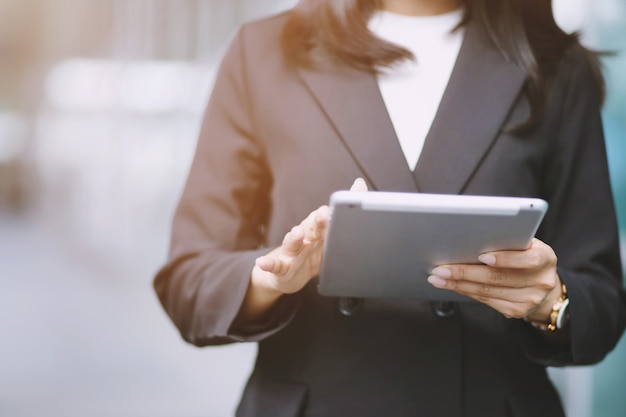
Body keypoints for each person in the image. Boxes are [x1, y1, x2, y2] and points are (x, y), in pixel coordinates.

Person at [154, 0, 626, 415]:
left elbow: (602, 303)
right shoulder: (263, 52)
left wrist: (551, 301)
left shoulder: (553, 64)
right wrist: (271, 278)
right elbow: (188, 283)